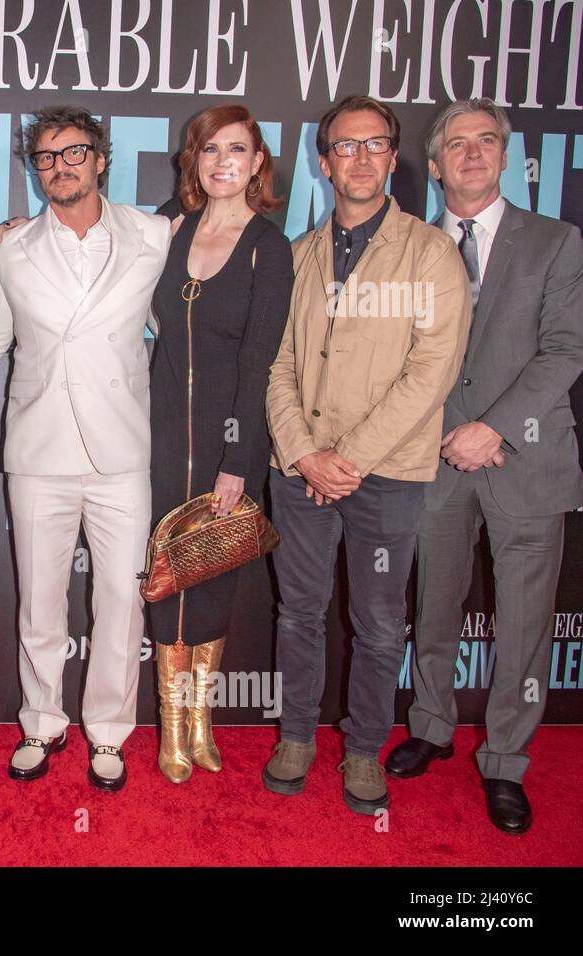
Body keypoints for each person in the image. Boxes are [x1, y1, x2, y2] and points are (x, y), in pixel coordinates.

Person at [264, 94, 472, 815]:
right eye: (345, 147)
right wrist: (302, 453)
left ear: (392, 156)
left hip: (386, 476)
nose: (359, 158)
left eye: (373, 145)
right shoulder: (297, 257)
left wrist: (345, 457)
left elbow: (433, 368)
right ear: (323, 163)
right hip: (300, 475)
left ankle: (361, 750)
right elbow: (279, 366)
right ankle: (295, 736)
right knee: (298, 613)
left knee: (380, 624)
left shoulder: (432, 251)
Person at [385, 98, 583, 835]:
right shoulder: (408, 249)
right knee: (433, 605)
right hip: (432, 458)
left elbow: (564, 349)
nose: (472, 153)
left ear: (506, 158)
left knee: (525, 624)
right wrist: (448, 433)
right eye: (456, 144)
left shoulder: (556, 243)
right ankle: (430, 725)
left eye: (486, 141)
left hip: (523, 459)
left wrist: (490, 428)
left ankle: (506, 761)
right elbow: (395, 360)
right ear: (434, 167)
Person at [0, 106, 169, 791]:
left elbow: (179, 325)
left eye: (74, 153)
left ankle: (110, 733)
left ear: (101, 158)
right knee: (39, 602)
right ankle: (40, 721)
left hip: (123, 451)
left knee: (122, 602)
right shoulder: (10, 248)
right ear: (34, 169)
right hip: (38, 452)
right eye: (46, 157)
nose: (60, 166)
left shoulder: (153, 237)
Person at [148, 105, 294, 783]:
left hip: (228, 442)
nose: (223, 161)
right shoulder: (168, 227)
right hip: (155, 438)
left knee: (210, 584)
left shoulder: (270, 243)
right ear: (193, 160)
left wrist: (240, 459)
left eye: (238, 149)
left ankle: (199, 724)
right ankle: (170, 735)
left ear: (258, 160)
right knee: (164, 583)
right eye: (210, 150)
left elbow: (262, 359)